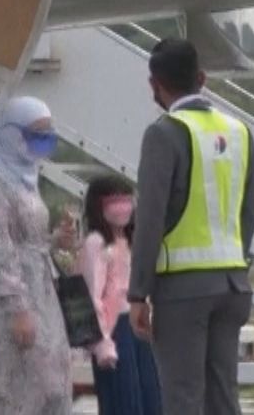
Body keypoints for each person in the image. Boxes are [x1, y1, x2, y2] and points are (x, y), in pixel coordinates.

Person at [129, 38, 254, 415]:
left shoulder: (163, 133)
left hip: (183, 290)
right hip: (233, 284)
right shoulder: (239, 131)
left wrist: (138, 293)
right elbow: (247, 215)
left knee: (183, 397)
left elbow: (150, 219)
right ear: (201, 78)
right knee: (223, 396)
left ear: (154, 84)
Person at [0, 95, 72, 415]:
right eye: (35, 133)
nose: (42, 142)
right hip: (14, 294)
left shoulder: (26, 173)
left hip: (41, 288)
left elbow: (29, 239)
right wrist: (17, 308)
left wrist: (55, 240)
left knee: (54, 383)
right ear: (11, 133)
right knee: (20, 388)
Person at [79, 174, 163, 415]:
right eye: (115, 200)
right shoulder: (96, 243)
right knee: (124, 399)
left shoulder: (129, 240)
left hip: (136, 326)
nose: (124, 207)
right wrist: (102, 343)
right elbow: (92, 296)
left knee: (150, 396)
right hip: (114, 329)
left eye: (127, 199)